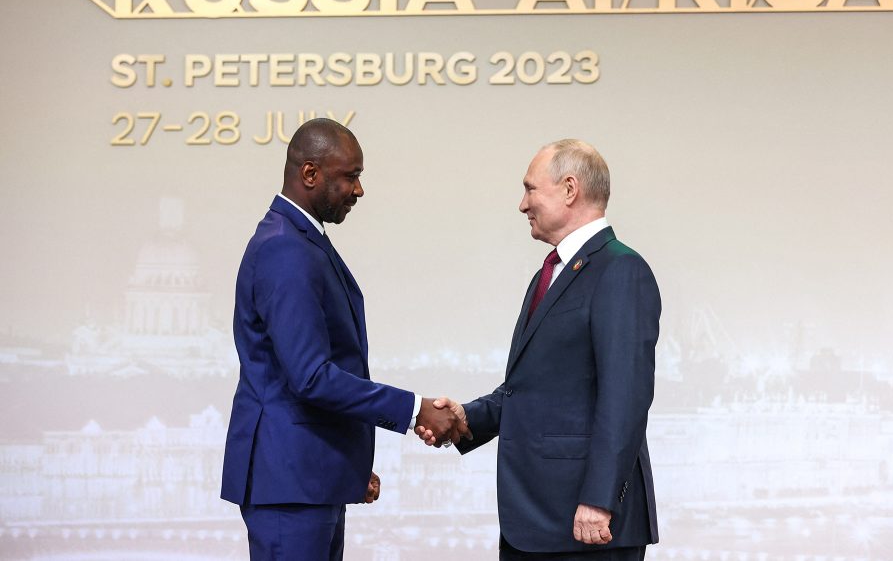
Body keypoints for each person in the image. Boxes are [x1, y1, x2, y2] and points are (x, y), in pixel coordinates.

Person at [221, 118, 468, 560]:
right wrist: (415, 410)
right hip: (290, 485)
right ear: (310, 174)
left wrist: (346, 469)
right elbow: (311, 377)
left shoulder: (303, 240)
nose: (358, 190)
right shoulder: (285, 248)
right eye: (350, 176)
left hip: (308, 479)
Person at [425, 139, 660, 559]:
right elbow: (530, 389)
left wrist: (599, 499)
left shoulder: (621, 269)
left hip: (586, 523)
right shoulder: (547, 274)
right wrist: (466, 419)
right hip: (536, 521)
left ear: (570, 189)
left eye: (531, 189)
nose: (522, 204)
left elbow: (626, 395)